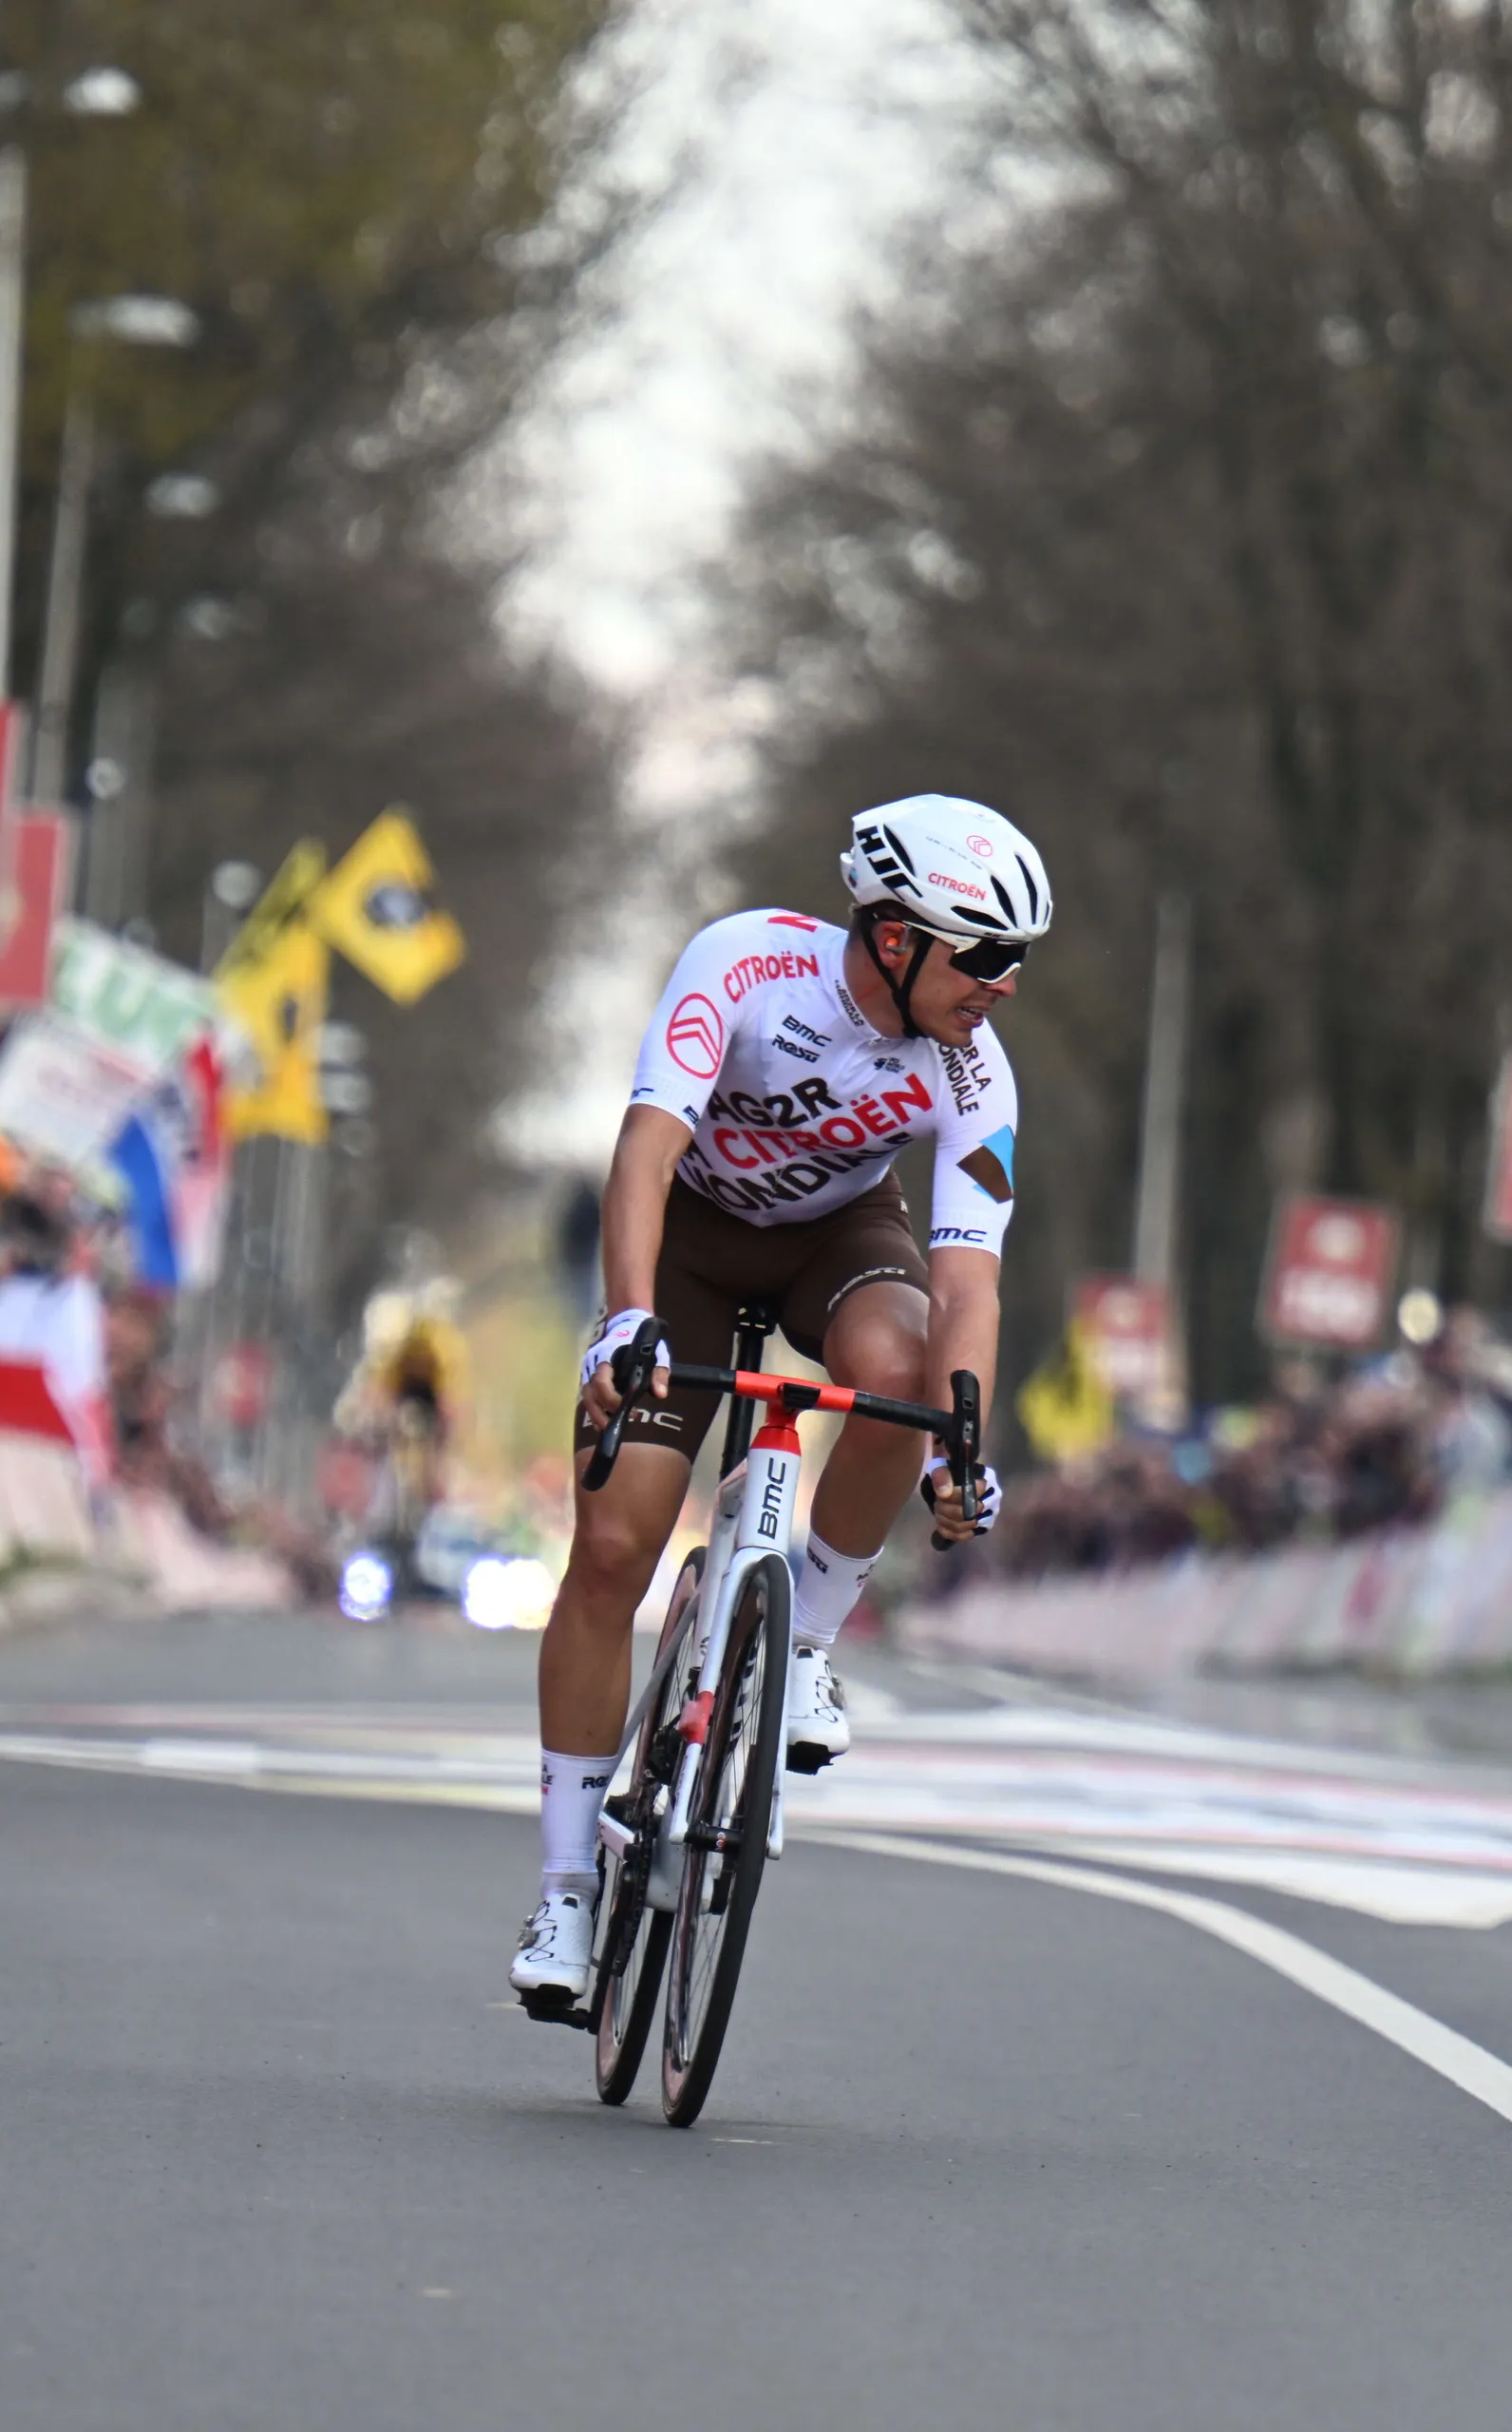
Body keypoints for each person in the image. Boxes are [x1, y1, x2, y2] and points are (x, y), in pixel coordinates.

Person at [509, 795, 1045, 2017]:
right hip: (691, 1247)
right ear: (898, 938)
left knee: (902, 1378)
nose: (1005, 986)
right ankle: (564, 1888)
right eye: (987, 955)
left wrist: (964, 1439)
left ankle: (803, 1634)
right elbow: (644, 1150)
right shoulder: (745, 963)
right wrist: (628, 1316)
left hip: (839, 1242)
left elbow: (968, 1280)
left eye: (1019, 962)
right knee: (610, 1547)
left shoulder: (973, 1069)